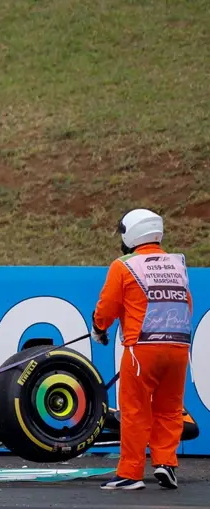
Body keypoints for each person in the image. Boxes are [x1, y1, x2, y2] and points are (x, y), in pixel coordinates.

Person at [91, 209, 193, 491]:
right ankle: (166, 462)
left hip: (143, 347)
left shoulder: (124, 265)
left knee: (135, 410)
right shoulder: (177, 264)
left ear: (131, 233)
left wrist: (99, 328)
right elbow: (187, 303)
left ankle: (130, 473)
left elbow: (107, 306)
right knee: (170, 409)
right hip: (179, 345)